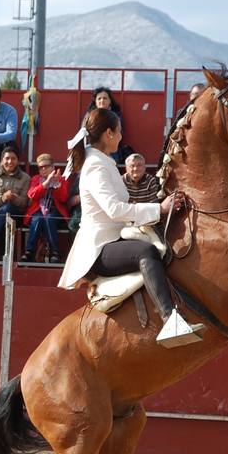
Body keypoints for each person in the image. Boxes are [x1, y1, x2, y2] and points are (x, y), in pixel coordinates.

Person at [57, 107, 201, 347]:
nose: (122, 137)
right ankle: (170, 321)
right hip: (99, 247)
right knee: (147, 252)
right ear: (108, 133)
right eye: (119, 131)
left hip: (112, 238)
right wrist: (160, 210)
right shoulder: (96, 165)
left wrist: (159, 208)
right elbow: (115, 210)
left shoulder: (103, 162)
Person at [0, 148, 30, 254]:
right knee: (4, 219)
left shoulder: (25, 178)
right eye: (7, 158)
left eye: (13, 159)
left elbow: (25, 202)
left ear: (17, 161)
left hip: (17, 214)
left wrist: (14, 198)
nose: (10, 162)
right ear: (2, 160)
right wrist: (3, 198)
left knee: (8, 209)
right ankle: (3, 253)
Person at [23, 152, 70, 263]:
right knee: (38, 218)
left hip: (55, 210)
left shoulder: (62, 179)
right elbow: (32, 195)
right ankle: (29, 251)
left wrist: (57, 184)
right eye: (41, 167)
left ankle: (55, 252)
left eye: (46, 166)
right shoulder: (36, 179)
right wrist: (46, 183)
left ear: (53, 167)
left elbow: (63, 198)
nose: (43, 169)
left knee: (49, 218)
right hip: (38, 210)